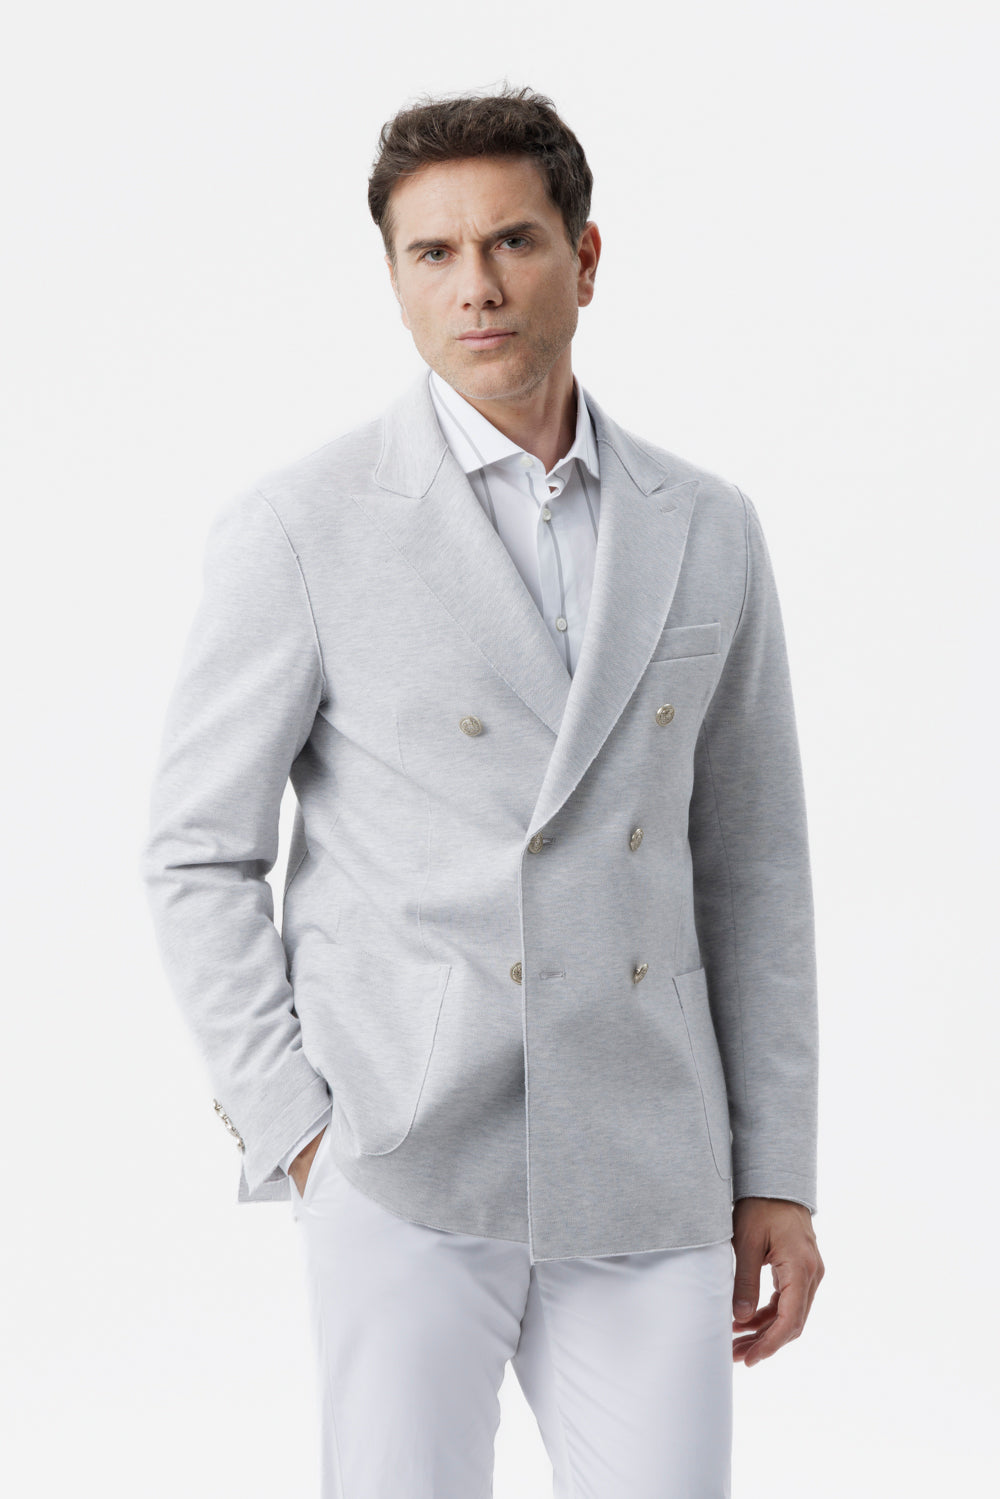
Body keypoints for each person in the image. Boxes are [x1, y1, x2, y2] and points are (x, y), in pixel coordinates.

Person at [140, 83, 824, 1498]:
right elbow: (199, 851)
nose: (477, 287)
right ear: (394, 279)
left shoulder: (707, 525)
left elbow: (753, 863)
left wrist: (778, 1169)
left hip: (648, 1148)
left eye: (512, 240)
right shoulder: (302, 526)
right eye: (433, 253)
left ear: (585, 256)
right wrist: (300, 1130)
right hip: (404, 1153)